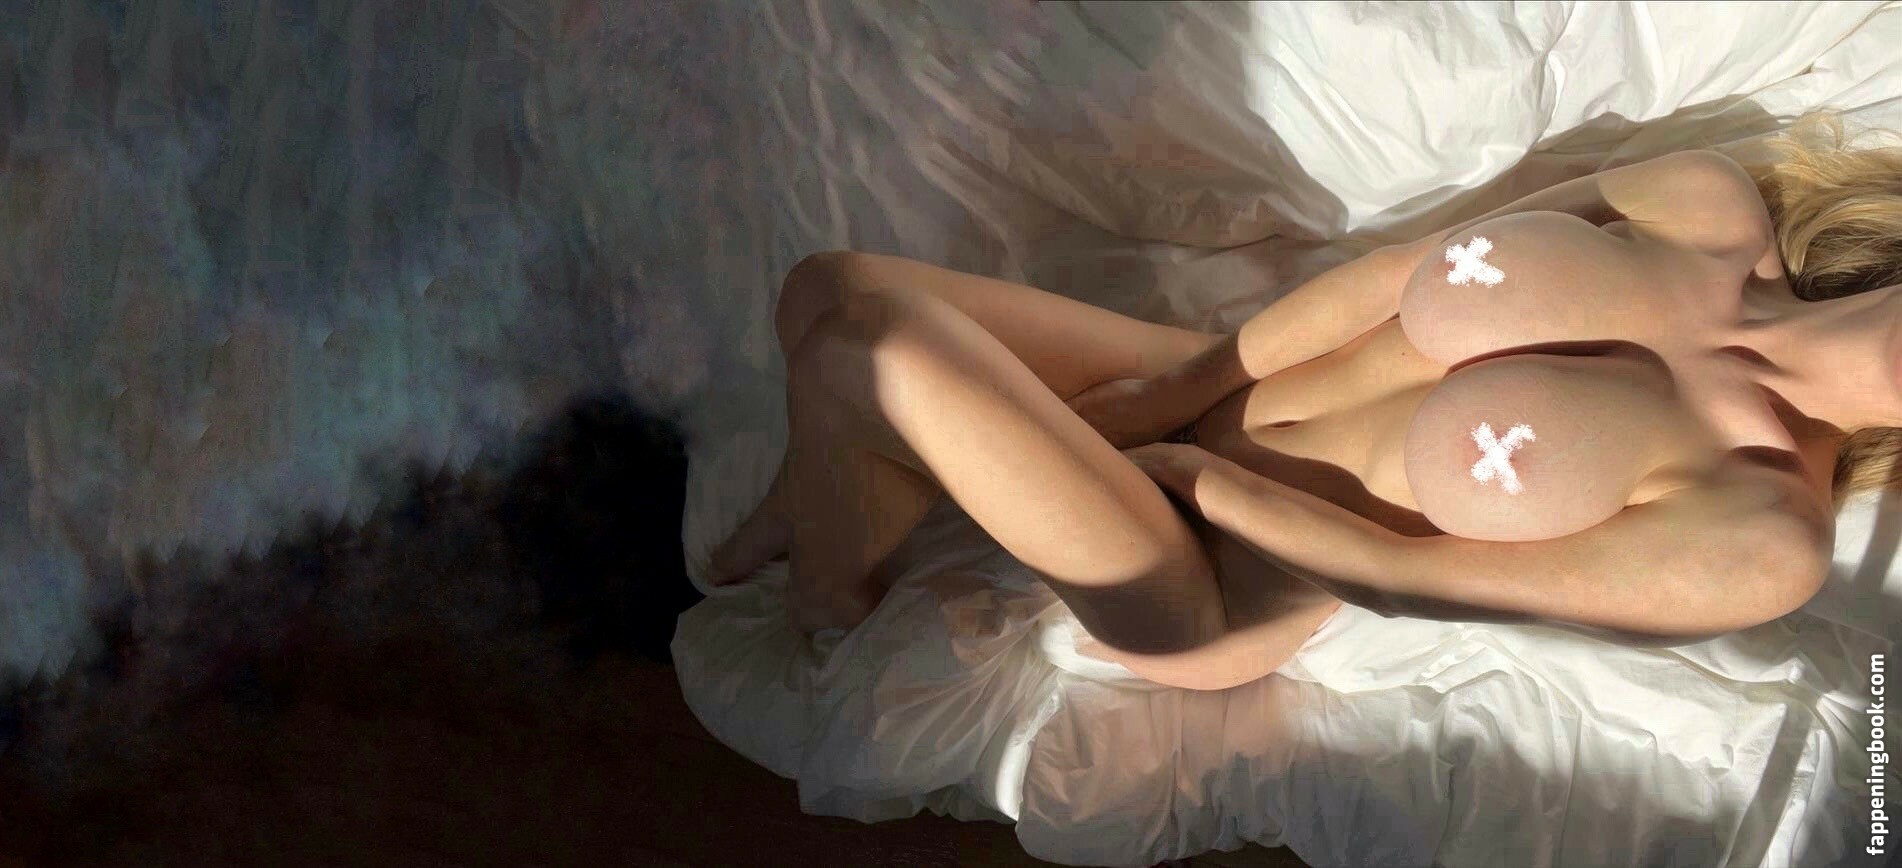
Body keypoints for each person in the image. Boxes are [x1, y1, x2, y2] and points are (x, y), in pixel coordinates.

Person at [706, 111, 1902, 691]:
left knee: (874, 345)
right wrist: (1175, 388)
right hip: (1211, 392)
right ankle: (837, 486)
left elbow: (1415, 578)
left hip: (1204, 574)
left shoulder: (1767, 534)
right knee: (827, 287)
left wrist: (1187, 476)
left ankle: (830, 589)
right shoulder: (1704, 204)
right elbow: (1394, 273)